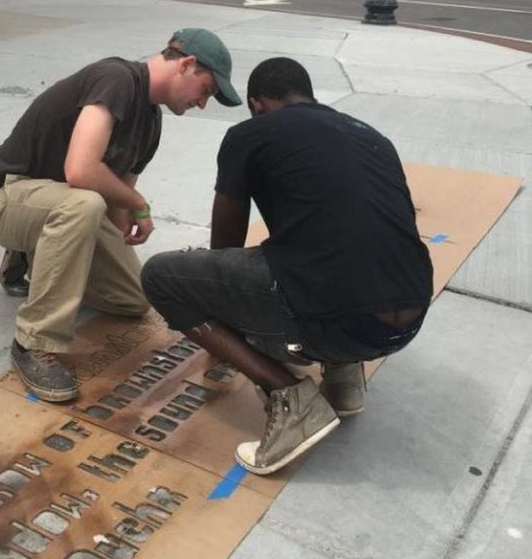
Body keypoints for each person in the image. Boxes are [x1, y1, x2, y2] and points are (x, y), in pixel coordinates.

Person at [142, 57, 433, 475]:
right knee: (321, 251)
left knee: (162, 276)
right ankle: (345, 382)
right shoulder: (370, 136)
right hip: (408, 318)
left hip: (338, 320)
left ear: (256, 104)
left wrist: (222, 329)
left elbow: (224, 243)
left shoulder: (250, 134)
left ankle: (290, 397)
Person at [0, 28, 241, 402]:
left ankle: (43, 251)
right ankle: (32, 343)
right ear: (186, 64)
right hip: (8, 197)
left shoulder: (151, 122)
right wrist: (138, 202)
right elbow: (82, 171)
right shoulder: (117, 78)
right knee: (83, 204)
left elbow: (115, 198)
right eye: (207, 90)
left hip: (61, 208)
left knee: (133, 299)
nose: (203, 103)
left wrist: (120, 239)